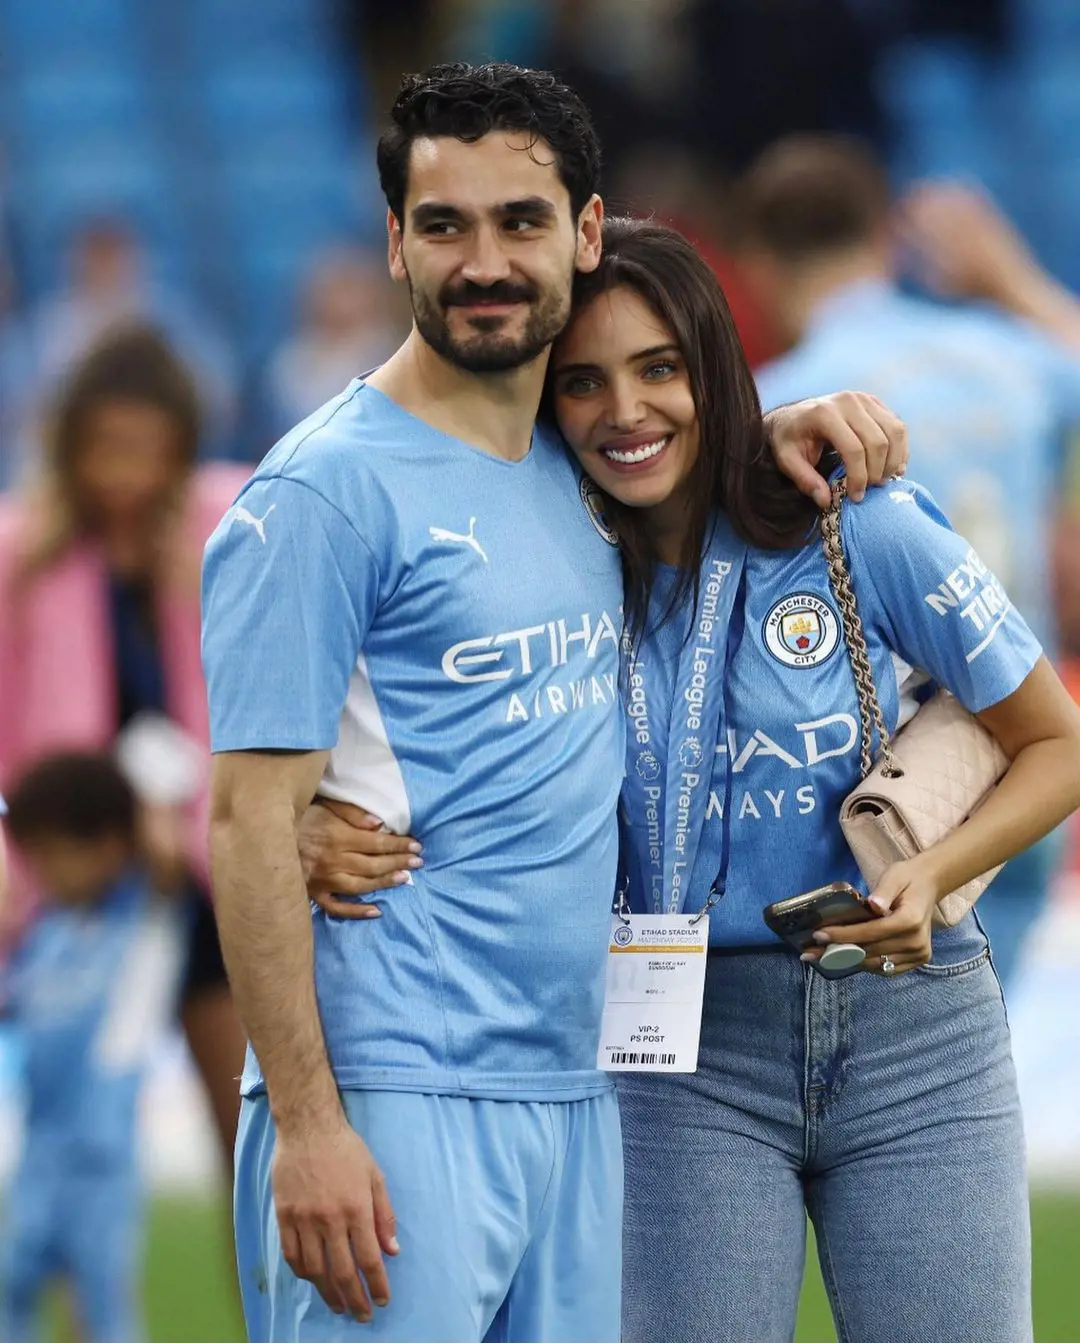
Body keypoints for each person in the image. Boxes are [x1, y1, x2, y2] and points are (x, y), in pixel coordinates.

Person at [201, 62, 907, 1343]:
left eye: (520, 222)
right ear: (397, 245)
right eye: (444, 225)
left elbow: (686, 449)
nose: (485, 261)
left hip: (583, 1097)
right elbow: (249, 821)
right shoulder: (318, 497)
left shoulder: (581, 467)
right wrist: (309, 1124)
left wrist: (789, 417)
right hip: (396, 1089)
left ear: (586, 233)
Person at [311, 216, 1080, 1343]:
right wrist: (305, 830)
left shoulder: (851, 518)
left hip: (916, 1030)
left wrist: (933, 873)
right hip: (676, 1056)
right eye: (584, 382)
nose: (627, 410)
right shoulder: (529, 570)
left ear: (713, 366)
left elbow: (1055, 742)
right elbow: (405, 747)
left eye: (659, 368)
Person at [738, 135, 1080, 988]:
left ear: (757, 263)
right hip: (1024, 732)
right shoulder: (1006, 355)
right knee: (992, 1011)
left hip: (892, 779)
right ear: (886, 236)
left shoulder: (787, 395)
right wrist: (1011, 281)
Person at [0, 327, 250, 1199]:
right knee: (78, 1155)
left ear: (181, 446)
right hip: (79, 887)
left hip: (213, 872)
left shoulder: (231, 527)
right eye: (105, 450)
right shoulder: (25, 553)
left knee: (251, 1141)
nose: (124, 476)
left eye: (145, 451)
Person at [0, 751, 185, 1343]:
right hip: (39, 1149)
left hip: (102, 1154)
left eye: (50, 855)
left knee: (102, 1302)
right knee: (12, 1286)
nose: (39, 873)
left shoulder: (145, 917)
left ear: (107, 846)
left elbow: (167, 848)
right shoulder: (45, 933)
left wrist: (141, 796)